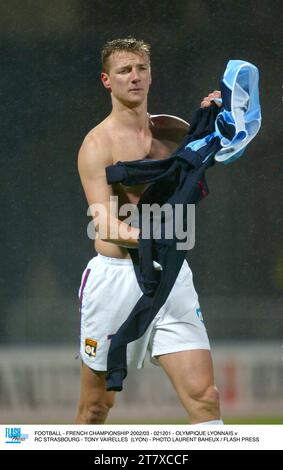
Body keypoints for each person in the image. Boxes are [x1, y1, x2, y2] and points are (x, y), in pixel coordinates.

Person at [76, 38, 223, 425]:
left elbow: (203, 164)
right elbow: (104, 223)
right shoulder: (96, 144)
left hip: (169, 277)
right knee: (95, 409)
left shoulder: (173, 130)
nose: (135, 77)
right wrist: (156, 239)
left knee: (205, 398)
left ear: (151, 74)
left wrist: (215, 121)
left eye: (141, 68)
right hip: (116, 280)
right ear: (107, 80)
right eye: (124, 70)